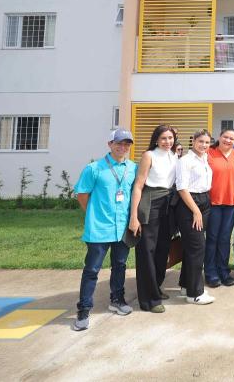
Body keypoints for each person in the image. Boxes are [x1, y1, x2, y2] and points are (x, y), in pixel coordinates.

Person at [71, 128, 138, 331]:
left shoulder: (132, 168)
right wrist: (93, 213)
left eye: (126, 144)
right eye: (119, 143)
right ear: (110, 144)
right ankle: (84, 309)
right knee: (92, 270)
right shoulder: (94, 168)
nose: (122, 147)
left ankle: (117, 299)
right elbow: (82, 195)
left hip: (122, 228)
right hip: (99, 228)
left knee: (120, 265)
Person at [129, 125, 178, 313]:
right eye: (163, 138)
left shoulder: (173, 156)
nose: (167, 141)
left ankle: (156, 287)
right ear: (156, 139)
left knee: (162, 249)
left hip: (168, 205)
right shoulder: (149, 155)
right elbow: (138, 186)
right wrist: (134, 216)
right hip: (150, 204)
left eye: (170, 138)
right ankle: (149, 299)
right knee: (147, 251)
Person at [174, 129, 214, 305]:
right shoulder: (185, 161)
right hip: (190, 203)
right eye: (201, 141)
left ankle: (186, 285)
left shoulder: (204, 158)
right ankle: (195, 293)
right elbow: (182, 188)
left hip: (204, 200)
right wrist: (196, 211)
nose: (204, 145)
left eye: (207, 142)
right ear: (193, 141)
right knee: (198, 248)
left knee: (191, 247)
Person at [205, 128, 234, 288]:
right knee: (212, 238)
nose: (228, 140)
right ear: (219, 137)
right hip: (213, 203)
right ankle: (210, 273)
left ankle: (224, 271)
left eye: (231, 138)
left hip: (231, 204)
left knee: (225, 239)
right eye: (225, 137)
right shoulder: (209, 153)